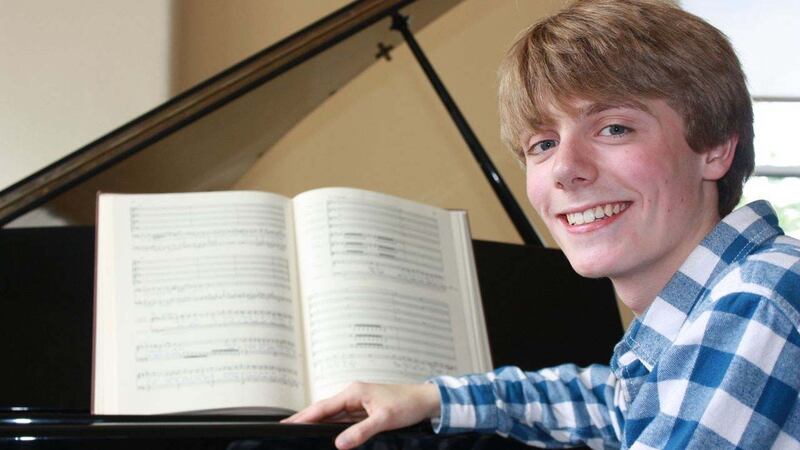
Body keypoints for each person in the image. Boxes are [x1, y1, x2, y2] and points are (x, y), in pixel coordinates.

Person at [282, 0, 800, 448]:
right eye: (543, 144)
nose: (566, 168)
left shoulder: (758, 299)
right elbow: (607, 399)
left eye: (614, 128)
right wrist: (432, 397)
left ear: (714, 148)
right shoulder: (705, 312)